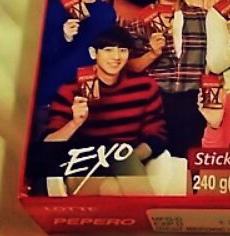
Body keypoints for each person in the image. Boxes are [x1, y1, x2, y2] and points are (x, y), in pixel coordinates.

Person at [44, 26, 167, 163]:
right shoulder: (71, 90)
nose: (116, 57)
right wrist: (75, 123)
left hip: (129, 158)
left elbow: (157, 135)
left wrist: (128, 158)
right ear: (93, 53)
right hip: (84, 161)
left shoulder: (145, 86)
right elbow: (48, 145)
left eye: (123, 50)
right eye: (108, 50)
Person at [126, 0, 207, 157]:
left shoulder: (203, 17)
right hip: (156, 98)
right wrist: (153, 53)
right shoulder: (141, 21)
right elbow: (131, 66)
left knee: (189, 157)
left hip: (192, 98)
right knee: (155, 157)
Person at [35, 0, 116, 118]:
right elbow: (38, 54)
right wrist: (63, 35)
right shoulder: (52, 6)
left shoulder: (106, 11)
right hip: (53, 92)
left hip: (89, 95)